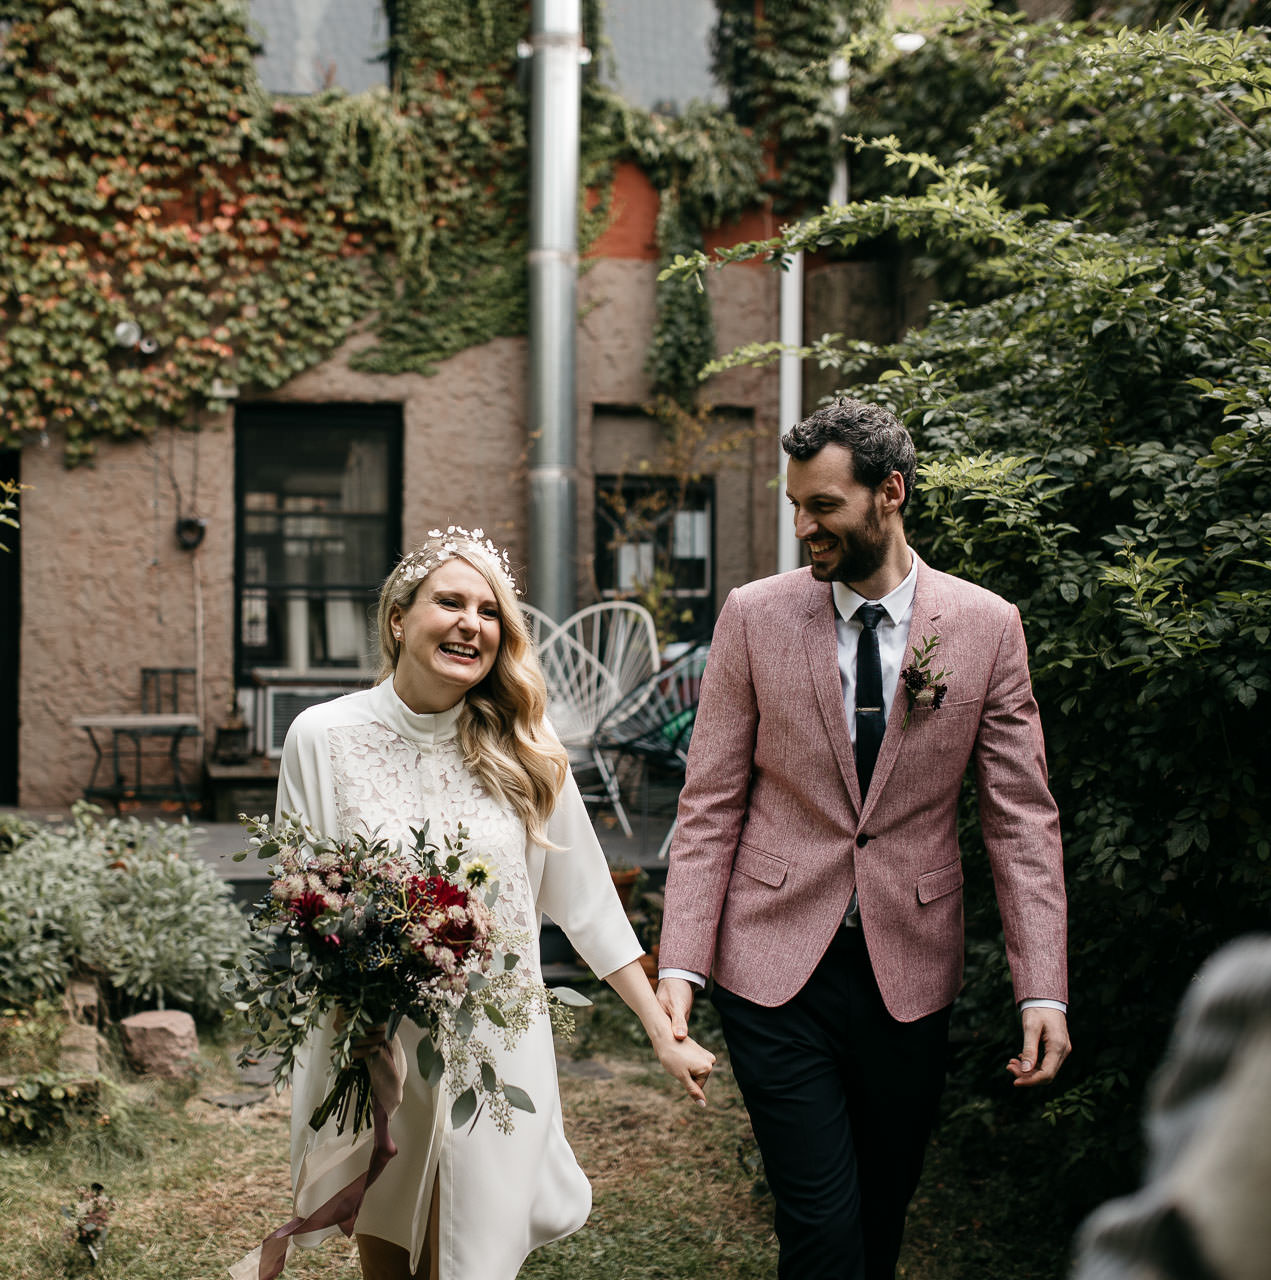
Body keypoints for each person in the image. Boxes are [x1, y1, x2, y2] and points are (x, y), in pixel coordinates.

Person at [655, 398, 1071, 1280]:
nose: (803, 527)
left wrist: (1043, 987)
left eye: (823, 506)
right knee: (823, 1230)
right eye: (795, 505)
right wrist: (680, 968)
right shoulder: (754, 616)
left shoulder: (988, 626)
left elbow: (1020, 818)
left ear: (891, 493)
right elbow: (710, 803)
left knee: (881, 1218)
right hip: (771, 966)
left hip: (909, 972)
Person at [268, 527, 716, 1280]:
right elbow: (303, 898)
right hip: (374, 1043)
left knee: (473, 1255)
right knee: (387, 1247)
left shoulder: (527, 748)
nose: (471, 624)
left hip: (492, 1048)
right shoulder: (322, 736)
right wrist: (353, 999)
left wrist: (659, 1030)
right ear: (398, 619)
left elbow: (587, 903)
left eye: (488, 611)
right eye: (451, 602)